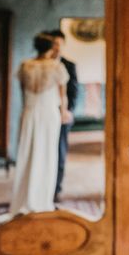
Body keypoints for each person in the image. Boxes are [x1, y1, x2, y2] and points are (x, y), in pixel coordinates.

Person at [6, 32, 71, 218]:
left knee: (27, 153)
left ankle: (24, 199)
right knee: (47, 154)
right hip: (49, 114)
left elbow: (23, 94)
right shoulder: (56, 67)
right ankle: (42, 200)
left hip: (30, 111)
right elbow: (62, 96)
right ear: (51, 48)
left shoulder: (25, 66)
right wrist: (63, 112)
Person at [47, 29, 78, 203]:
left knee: (60, 152)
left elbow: (73, 91)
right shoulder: (41, 65)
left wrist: (68, 111)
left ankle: (56, 190)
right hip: (45, 115)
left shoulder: (69, 65)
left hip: (62, 116)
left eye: (59, 44)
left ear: (63, 45)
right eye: (54, 44)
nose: (56, 48)